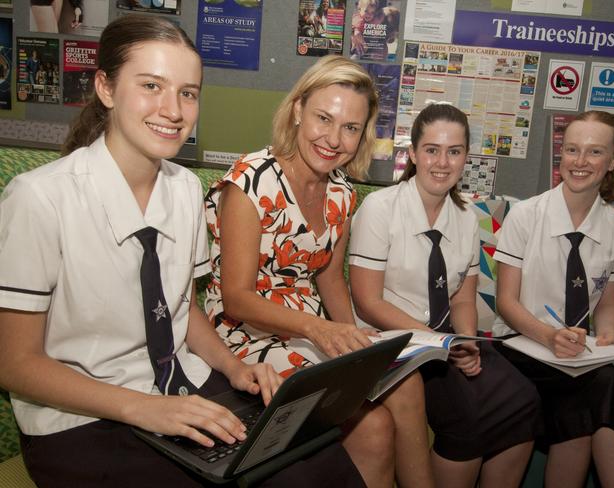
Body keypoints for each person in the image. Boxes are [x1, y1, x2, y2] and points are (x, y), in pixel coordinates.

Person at [0, 16, 364, 488]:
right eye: (152, 85)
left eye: (188, 92)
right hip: (83, 419)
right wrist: (148, 408)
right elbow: (15, 363)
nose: (172, 109)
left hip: (182, 383)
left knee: (319, 464)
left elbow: (180, 309)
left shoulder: (186, 188)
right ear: (105, 88)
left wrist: (237, 368)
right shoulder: (39, 198)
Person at [205, 54, 435, 488]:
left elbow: (329, 277)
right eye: (323, 119)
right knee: (375, 426)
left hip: (309, 327)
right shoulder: (249, 182)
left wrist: (356, 345)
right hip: (244, 333)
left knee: (408, 383)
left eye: (350, 128)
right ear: (297, 111)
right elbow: (236, 297)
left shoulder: (343, 192)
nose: (334, 139)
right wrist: (319, 330)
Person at [349, 102, 542, 488]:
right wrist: (442, 342)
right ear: (414, 154)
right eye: (432, 150)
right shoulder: (381, 208)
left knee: (524, 399)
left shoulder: (467, 219)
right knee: (465, 413)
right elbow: (368, 302)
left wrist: (466, 342)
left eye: (454, 152)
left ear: (465, 158)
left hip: (448, 338)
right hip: (395, 343)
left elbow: (464, 300)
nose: (442, 162)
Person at [493, 110, 614, 488]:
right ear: (561, 154)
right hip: (522, 345)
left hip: (577, 351)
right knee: (600, 389)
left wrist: (606, 337)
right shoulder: (526, 216)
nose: (580, 161)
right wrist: (548, 336)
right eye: (572, 150)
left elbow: (607, 304)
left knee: (599, 386)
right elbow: (506, 303)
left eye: (594, 152)